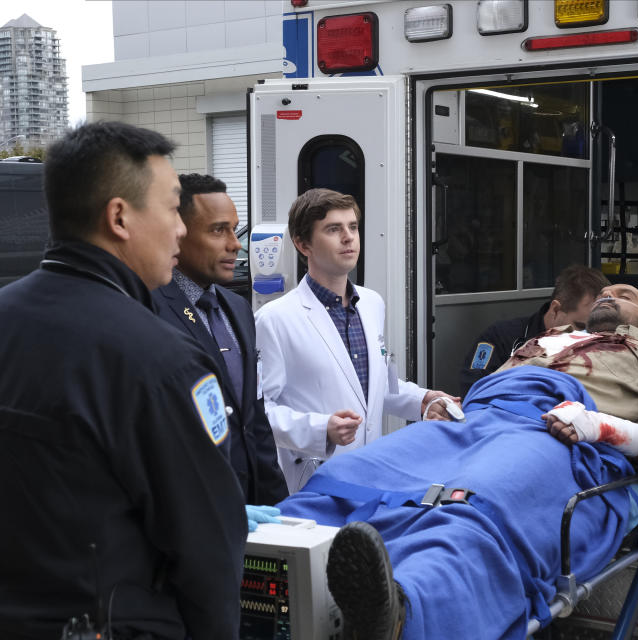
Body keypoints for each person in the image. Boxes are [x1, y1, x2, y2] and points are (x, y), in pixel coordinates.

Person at [280, 283, 638, 640]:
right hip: (476, 420)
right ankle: (264, 562)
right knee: (355, 473)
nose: (609, 293)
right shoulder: (544, 342)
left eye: (625, 294)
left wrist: (599, 428)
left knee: (472, 503)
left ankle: (404, 611)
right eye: (605, 292)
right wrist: (454, 406)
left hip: (554, 433)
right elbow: (492, 385)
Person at [0, 122, 245, 638]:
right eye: (172, 207)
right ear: (119, 217)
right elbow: (207, 552)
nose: (181, 228)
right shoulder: (162, 361)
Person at [256, 188, 458, 493]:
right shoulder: (275, 319)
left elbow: (377, 389)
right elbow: (260, 412)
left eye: (353, 227)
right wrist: (320, 428)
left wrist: (422, 400)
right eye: (333, 229)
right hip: (315, 480)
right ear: (302, 244)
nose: (348, 237)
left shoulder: (372, 304)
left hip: (371, 472)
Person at [153, 174, 288, 508]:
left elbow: (254, 419)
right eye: (218, 230)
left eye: (234, 228)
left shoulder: (237, 308)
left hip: (250, 506)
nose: (236, 243)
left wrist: (279, 507)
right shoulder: (151, 310)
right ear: (178, 234)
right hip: (195, 511)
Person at [458, 264, 609, 396]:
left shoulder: (607, 347)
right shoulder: (501, 337)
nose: (587, 338)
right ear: (555, 310)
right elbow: (474, 386)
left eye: (595, 331)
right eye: (580, 328)